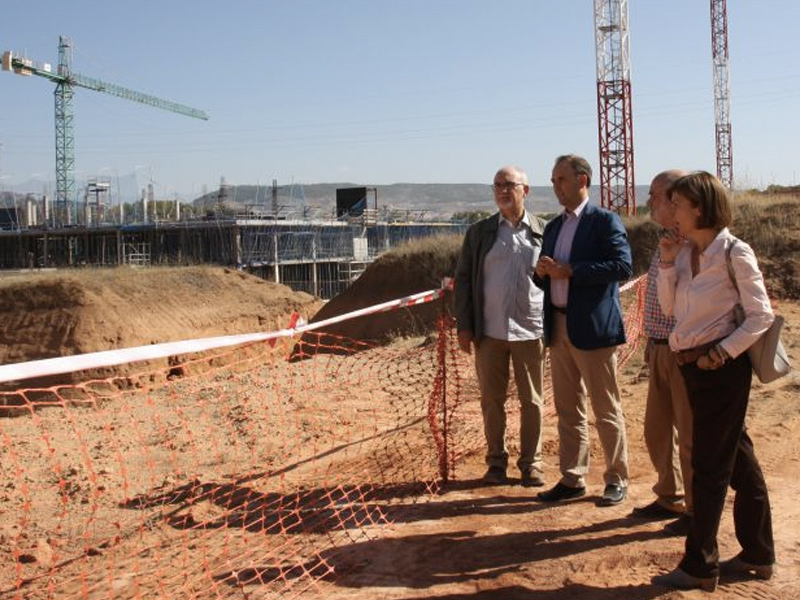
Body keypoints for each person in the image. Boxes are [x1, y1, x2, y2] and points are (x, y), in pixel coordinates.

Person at [652, 171, 776, 592]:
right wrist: (666, 262)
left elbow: (761, 316)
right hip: (692, 366)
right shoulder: (684, 252)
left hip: (722, 369)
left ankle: (700, 565)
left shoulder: (734, 252)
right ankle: (758, 552)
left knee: (708, 467)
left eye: (677, 204)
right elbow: (670, 310)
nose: (671, 211)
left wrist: (721, 352)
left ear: (700, 208)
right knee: (737, 458)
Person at [533, 154, 632, 507]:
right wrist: (542, 273)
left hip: (592, 328)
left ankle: (616, 478)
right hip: (559, 325)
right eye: (553, 180)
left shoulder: (604, 221)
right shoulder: (553, 227)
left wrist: (572, 270)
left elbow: (622, 266)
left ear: (582, 180)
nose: (555, 186)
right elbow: (548, 277)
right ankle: (573, 478)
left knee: (606, 408)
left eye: (560, 179)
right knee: (568, 408)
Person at [454, 165, 548, 487]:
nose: (503, 191)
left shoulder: (544, 231)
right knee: (492, 400)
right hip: (490, 331)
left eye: (509, 184)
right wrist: (464, 326)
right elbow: (463, 281)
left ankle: (531, 464)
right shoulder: (479, 233)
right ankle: (496, 462)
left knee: (532, 401)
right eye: (497, 185)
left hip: (531, 330)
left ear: (526, 190)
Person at [631, 170, 694, 529]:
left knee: (689, 436)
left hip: (684, 352)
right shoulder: (665, 240)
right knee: (657, 431)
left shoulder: (697, 245)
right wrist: (650, 343)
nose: (649, 202)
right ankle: (669, 496)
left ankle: (696, 510)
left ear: (676, 200)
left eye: (655, 195)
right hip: (659, 348)